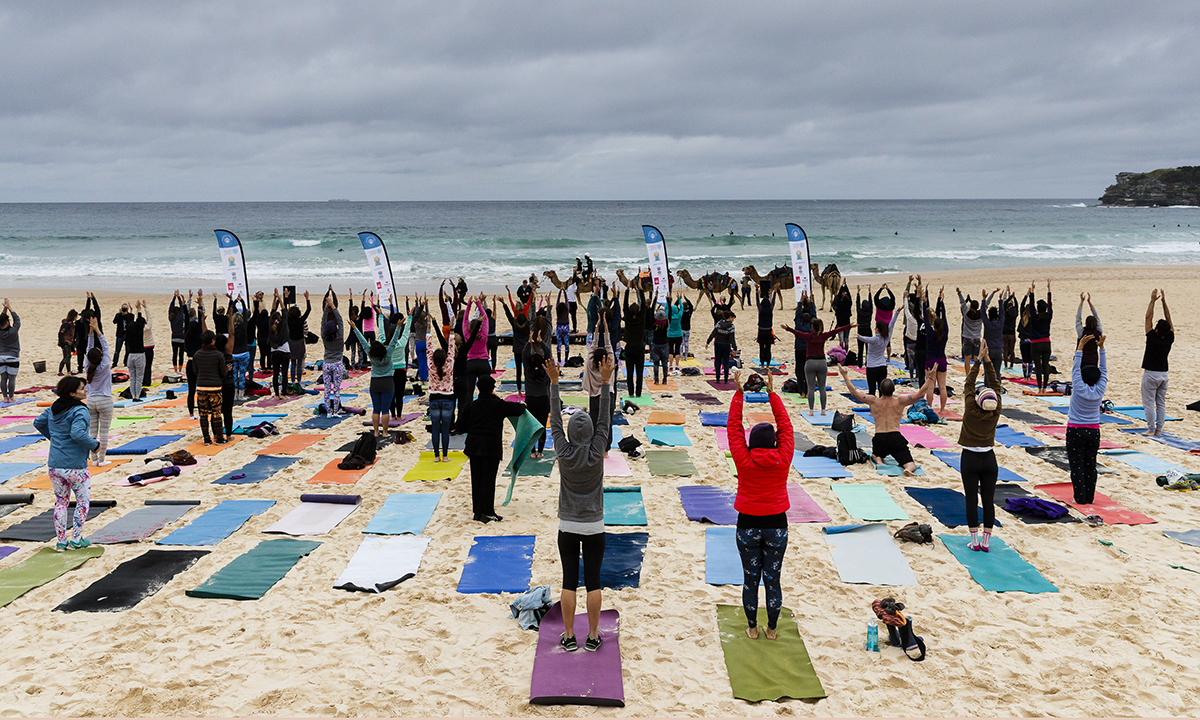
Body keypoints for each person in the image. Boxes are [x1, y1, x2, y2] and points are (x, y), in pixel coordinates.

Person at [546, 352, 614, 653]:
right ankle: (593, 635)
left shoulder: (563, 449)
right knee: (594, 582)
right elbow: (604, 418)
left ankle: (570, 635)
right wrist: (605, 383)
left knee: (569, 581)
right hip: (595, 523)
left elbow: (555, 423)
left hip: (568, 524)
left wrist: (554, 384)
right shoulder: (598, 447)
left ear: (571, 434)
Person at [727, 368, 794, 640]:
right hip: (776, 524)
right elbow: (786, 425)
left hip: (748, 524)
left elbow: (733, 426)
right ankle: (773, 630)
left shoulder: (743, 458)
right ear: (775, 442)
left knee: (750, 579)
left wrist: (739, 393)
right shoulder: (783, 456)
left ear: (751, 443)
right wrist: (771, 394)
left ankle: (753, 628)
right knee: (773, 579)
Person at [34, 376, 100, 551]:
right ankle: (76, 539)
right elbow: (77, 434)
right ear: (72, 393)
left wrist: (54, 438)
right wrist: (95, 445)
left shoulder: (54, 408)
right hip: (75, 466)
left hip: (55, 465)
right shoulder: (80, 410)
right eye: (81, 388)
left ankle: (61, 542)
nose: (85, 390)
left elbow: (38, 423)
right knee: (82, 501)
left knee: (61, 502)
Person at [838, 365, 933, 476]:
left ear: (880, 389)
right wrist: (930, 378)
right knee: (911, 464)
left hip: (880, 438)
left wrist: (845, 375)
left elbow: (854, 393)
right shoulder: (900, 401)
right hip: (895, 438)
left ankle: (879, 460)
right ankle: (908, 469)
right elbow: (920, 394)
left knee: (875, 455)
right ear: (894, 390)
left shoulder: (873, 401)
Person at [460, 375, 525, 523]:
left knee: (476, 479)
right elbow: (517, 409)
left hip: (474, 445)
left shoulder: (471, 405)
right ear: (492, 389)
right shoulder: (497, 404)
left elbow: (460, 426)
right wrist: (523, 405)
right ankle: (488, 512)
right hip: (491, 446)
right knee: (488, 480)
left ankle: (477, 512)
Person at [957, 344, 1003, 551]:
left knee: (971, 499)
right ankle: (986, 542)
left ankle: (974, 541)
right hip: (989, 460)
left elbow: (969, 383)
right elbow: (996, 384)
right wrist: (989, 362)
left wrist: (978, 361)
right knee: (988, 500)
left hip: (970, 458)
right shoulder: (995, 412)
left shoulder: (970, 409)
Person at [353, 298, 409, 438]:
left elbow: (363, 342)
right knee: (385, 410)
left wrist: (355, 329)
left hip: (375, 382)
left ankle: (376, 431)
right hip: (387, 382)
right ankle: (384, 432)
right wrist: (399, 327)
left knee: (376, 409)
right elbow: (395, 339)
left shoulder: (371, 355)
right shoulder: (388, 352)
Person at [1066, 334, 1107, 504]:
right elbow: (1104, 370)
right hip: (1093, 431)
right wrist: (1102, 349)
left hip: (1075, 430)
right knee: (1090, 464)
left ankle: (1080, 497)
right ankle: (1089, 497)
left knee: (1077, 465)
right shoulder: (1100, 389)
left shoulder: (1078, 387)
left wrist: (1080, 348)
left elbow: (1075, 368)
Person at [781, 317, 850, 415]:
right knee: (822, 388)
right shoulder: (824, 336)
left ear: (812, 327)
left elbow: (797, 333)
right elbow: (837, 330)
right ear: (821, 327)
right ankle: (823, 410)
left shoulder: (809, 336)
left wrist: (788, 328)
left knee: (811, 388)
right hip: (821, 362)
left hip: (810, 363)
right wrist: (849, 326)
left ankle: (811, 411)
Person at [1141, 289, 1174, 436]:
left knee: (1149, 403)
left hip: (1151, 374)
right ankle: (1159, 430)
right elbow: (1169, 319)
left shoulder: (1152, 338)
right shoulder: (1169, 338)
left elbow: (1148, 318)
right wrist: (1164, 302)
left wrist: (1152, 300)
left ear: (1156, 330)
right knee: (1160, 403)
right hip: (1163, 375)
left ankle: (1151, 429)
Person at [83, 315, 113, 466]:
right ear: (101, 357)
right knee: (104, 432)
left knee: (92, 433)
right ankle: (102, 459)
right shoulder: (105, 365)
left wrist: (90, 331)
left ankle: (94, 460)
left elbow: (88, 349)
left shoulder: (88, 366)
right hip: (105, 401)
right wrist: (97, 330)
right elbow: (106, 346)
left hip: (91, 401)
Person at [584, 312, 615, 455]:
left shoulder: (590, 364)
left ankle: (595, 446)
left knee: (595, 421)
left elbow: (593, 344)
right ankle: (606, 450)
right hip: (607, 395)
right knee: (607, 422)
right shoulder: (610, 364)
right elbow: (608, 344)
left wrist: (597, 324)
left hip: (594, 396)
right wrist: (605, 325)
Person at [522, 317, 553, 458]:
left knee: (531, 427)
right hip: (543, 399)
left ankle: (532, 452)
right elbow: (549, 355)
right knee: (542, 427)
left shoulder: (528, 372)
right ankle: (540, 451)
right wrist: (542, 343)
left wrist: (529, 344)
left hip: (531, 400)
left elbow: (524, 357)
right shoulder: (546, 372)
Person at [426, 326, 457, 462]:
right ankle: (445, 456)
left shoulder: (431, 365)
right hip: (448, 398)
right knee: (445, 429)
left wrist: (428, 332)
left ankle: (436, 456)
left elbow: (428, 349)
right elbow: (451, 349)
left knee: (435, 429)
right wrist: (451, 334)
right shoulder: (449, 364)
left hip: (434, 398)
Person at [193, 330, 228, 445]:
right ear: (213, 340)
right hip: (215, 387)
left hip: (201, 387)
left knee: (203, 413)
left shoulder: (197, 355)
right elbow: (224, 373)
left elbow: (195, 371)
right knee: (216, 413)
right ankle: (219, 438)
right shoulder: (218, 355)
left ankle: (206, 439)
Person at [858, 309, 901, 396]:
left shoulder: (874, 339)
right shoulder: (886, 337)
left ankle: (873, 409)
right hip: (882, 367)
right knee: (882, 392)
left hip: (872, 367)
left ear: (877, 329)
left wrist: (858, 336)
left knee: (872, 391)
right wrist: (897, 312)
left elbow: (865, 339)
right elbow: (892, 324)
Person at [922, 287, 950, 413]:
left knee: (930, 387)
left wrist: (924, 303)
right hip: (942, 360)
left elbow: (926, 320)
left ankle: (930, 408)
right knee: (942, 387)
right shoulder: (945, 333)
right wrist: (942, 303)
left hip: (930, 361)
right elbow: (945, 318)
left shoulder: (930, 333)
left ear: (934, 326)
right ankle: (943, 409)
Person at [321, 287, 346, 415]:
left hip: (326, 364)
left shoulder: (325, 338)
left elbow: (322, 322)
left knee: (326, 389)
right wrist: (333, 307)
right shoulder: (340, 338)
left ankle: (329, 412)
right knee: (336, 389)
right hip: (337, 364)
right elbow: (340, 321)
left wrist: (326, 308)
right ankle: (335, 411)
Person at [957, 287, 994, 373]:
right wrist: (990, 295)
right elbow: (986, 305)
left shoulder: (966, 313)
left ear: (970, 306)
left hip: (967, 338)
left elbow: (962, 303)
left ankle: (968, 376)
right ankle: (974, 376)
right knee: (976, 359)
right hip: (977, 339)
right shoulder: (981, 314)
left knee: (967, 359)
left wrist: (959, 293)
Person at [622, 285, 648, 398]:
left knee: (629, 373)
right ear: (638, 311)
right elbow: (644, 306)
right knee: (639, 373)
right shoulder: (641, 318)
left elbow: (624, 306)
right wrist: (640, 290)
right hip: (639, 347)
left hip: (629, 348)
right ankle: (638, 393)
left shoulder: (627, 318)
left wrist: (627, 290)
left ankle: (631, 393)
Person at [1028, 281, 1053, 393]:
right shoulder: (1048, 317)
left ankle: (1039, 389)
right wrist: (1049, 290)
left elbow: (1031, 304)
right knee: (1046, 365)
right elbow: (1050, 305)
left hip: (1035, 343)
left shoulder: (1034, 316)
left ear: (1038, 309)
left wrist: (1032, 291)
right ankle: (1044, 388)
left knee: (1038, 366)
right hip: (1046, 342)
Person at [706, 309, 738, 384]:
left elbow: (713, 333)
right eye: (733, 318)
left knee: (718, 361)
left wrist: (708, 341)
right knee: (726, 362)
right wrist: (735, 348)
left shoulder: (719, 323)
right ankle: (726, 379)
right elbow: (731, 339)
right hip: (726, 345)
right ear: (730, 317)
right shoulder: (731, 326)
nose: (733, 320)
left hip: (718, 344)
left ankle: (717, 378)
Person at [124, 300, 148, 402]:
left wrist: (133, 311)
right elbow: (139, 323)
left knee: (132, 378)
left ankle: (133, 395)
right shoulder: (139, 333)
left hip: (130, 356)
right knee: (139, 378)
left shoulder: (128, 334)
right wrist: (139, 310)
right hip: (139, 355)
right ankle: (137, 396)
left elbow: (132, 323)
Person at [982, 289, 1007, 382]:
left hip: (988, 349)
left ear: (989, 315)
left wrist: (983, 300)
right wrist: (1000, 301)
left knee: (988, 371)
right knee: (997, 372)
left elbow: (982, 313)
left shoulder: (987, 324)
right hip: (998, 348)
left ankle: (987, 390)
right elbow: (1002, 314)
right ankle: (997, 390)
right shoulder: (1000, 323)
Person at [287, 291, 312, 385]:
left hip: (291, 343)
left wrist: (286, 298)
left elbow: (284, 310)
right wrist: (307, 299)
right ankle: (299, 381)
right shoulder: (301, 320)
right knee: (299, 363)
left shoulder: (288, 321)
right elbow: (309, 310)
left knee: (293, 363)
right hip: (300, 342)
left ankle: (293, 381)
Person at [0, 299, 20, 404]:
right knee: (11, 379)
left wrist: (5, 309)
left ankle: (5, 398)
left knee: (3, 378)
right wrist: (9, 308)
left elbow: (1, 319)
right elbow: (17, 320)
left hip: (1, 357)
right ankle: (11, 397)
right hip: (13, 357)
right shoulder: (13, 331)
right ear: (7, 323)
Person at [1076, 292, 1103, 369]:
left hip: (1082, 360)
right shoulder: (1099, 332)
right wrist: (1089, 302)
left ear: (1086, 323)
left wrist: (1081, 302)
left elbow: (1078, 318)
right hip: (1094, 360)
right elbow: (1096, 316)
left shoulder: (1082, 333)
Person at [755, 281, 775, 369]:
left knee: (761, 348)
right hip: (768, 331)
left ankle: (762, 365)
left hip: (761, 330)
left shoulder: (761, 309)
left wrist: (757, 292)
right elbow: (773, 302)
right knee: (768, 348)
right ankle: (767, 365)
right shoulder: (770, 309)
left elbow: (757, 302)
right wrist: (772, 294)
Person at [169, 291, 188, 373]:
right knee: (181, 355)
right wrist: (179, 298)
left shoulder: (171, 318)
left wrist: (174, 298)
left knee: (174, 354)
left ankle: (175, 370)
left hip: (174, 337)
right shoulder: (180, 317)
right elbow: (183, 309)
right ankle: (180, 370)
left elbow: (170, 308)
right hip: (181, 337)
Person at [667, 292, 684, 375]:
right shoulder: (679, 316)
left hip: (670, 335)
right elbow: (682, 308)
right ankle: (677, 365)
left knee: (670, 350)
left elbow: (667, 309)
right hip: (678, 335)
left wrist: (668, 300)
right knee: (677, 350)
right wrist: (679, 299)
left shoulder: (669, 317)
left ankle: (670, 365)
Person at [831, 282, 853, 350]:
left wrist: (841, 287)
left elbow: (838, 298)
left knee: (841, 340)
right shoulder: (849, 305)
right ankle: (846, 351)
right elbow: (850, 297)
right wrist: (846, 286)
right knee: (846, 340)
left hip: (840, 325)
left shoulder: (839, 305)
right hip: (847, 325)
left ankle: (841, 351)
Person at [57, 309, 77, 376]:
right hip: (65, 342)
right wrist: (62, 342)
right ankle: (60, 371)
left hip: (69, 342)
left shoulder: (71, 324)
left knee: (68, 356)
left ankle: (69, 371)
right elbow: (61, 333)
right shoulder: (67, 324)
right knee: (66, 357)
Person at [112, 302, 132, 366]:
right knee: (117, 350)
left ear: (128, 309)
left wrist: (128, 313)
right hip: (120, 335)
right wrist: (119, 314)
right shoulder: (119, 315)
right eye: (123, 308)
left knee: (128, 350)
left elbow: (131, 321)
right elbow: (114, 321)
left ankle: (126, 362)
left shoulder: (130, 316)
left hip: (128, 335)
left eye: (125, 308)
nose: (124, 310)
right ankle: (114, 363)